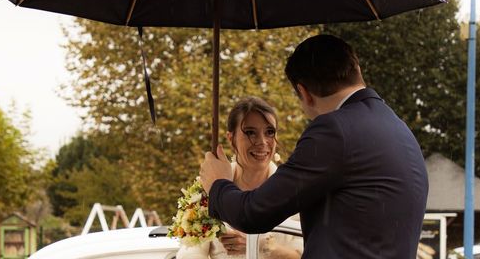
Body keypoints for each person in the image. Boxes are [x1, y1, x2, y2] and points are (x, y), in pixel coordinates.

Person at [200, 34, 428, 259]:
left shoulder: (334, 130)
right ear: (356, 70)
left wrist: (218, 184)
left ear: (304, 93)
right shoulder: (400, 130)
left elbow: (252, 214)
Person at [177, 97, 302, 259]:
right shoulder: (208, 188)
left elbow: (304, 254)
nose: (262, 142)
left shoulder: (293, 190)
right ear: (231, 138)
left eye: (269, 132)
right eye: (250, 132)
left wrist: (259, 245)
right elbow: (190, 254)